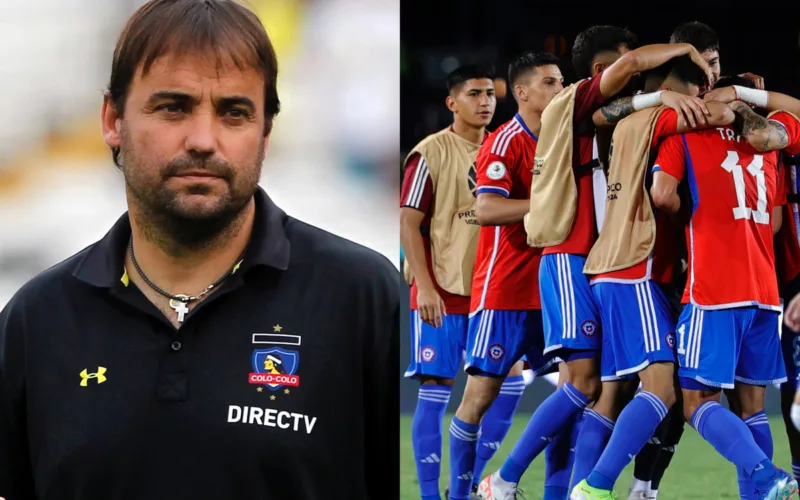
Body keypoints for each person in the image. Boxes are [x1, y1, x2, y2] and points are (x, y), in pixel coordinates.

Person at [0, 1, 400, 499]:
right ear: (112, 119)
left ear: (266, 133)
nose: (204, 140)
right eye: (173, 107)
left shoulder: (362, 298)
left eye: (234, 113)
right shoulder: (36, 321)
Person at [477, 25, 713, 500]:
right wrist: (686, 50)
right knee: (581, 385)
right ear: (604, 70)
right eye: (633, 62)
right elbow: (628, 71)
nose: (558, 87)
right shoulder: (575, 107)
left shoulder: (605, 118)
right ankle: (501, 481)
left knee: (603, 392)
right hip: (568, 257)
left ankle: (572, 491)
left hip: (600, 262)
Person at [570, 56, 735, 500]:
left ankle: (629, 488)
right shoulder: (662, 119)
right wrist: (738, 97)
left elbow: (602, 112)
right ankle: (593, 487)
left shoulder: (625, 122)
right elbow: (720, 115)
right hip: (634, 267)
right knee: (662, 389)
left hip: (622, 266)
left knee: (618, 393)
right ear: (687, 92)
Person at [648, 97, 797, 500]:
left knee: (696, 403)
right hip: (765, 294)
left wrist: (693, 214)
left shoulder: (686, 137)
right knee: (752, 409)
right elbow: (779, 220)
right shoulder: (770, 145)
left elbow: (662, 195)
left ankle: (767, 474)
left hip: (713, 290)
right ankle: (763, 491)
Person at [447, 51, 568, 500]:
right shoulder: (504, 142)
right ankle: (462, 494)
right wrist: (546, 207)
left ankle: (536, 489)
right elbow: (487, 208)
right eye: (550, 83)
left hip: (553, 288)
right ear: (522, 92)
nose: (560, 89)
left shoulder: (560, 139)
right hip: (505, 290)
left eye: (561, 82)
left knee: (575, 394)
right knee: (478, 399)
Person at [400, 64, 501, 500]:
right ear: (452, 102)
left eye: (490, 94)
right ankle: (428, 495)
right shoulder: (430, 153)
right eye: (475, 94)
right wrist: (423, 285)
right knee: (436, 388)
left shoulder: (503, 148)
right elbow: (408, 223)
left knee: (507, 381)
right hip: (440, 287)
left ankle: (470, 485)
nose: (485, 102)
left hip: (492, 289)